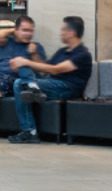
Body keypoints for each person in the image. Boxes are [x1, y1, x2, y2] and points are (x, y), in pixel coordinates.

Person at [6, 15, 93, 144]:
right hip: (51, 82)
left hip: (66, 88)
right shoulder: (62, 51)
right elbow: (44, 68)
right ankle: (33, 88)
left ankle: (30, 131)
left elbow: (55, 69)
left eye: (63, 30)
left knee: (19, 84)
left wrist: (26, 62)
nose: (60, 33)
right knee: (24, 67)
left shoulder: (83, 54)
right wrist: (33, 55)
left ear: (72, 33)